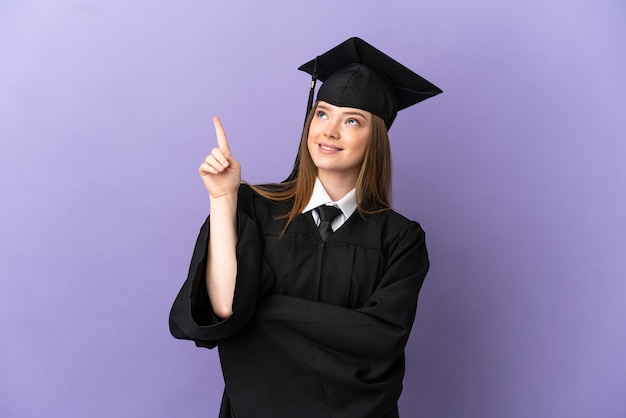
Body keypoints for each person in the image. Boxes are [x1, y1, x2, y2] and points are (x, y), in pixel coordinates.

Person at [169, 37, 442, 418]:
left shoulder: (399, 239)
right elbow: (226, 308)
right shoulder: (253, 208)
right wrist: (222, 199)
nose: (329, 132)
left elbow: (379, 340)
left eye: (352, 120)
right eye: (322, 113)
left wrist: (262, 311)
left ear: (375, 138)